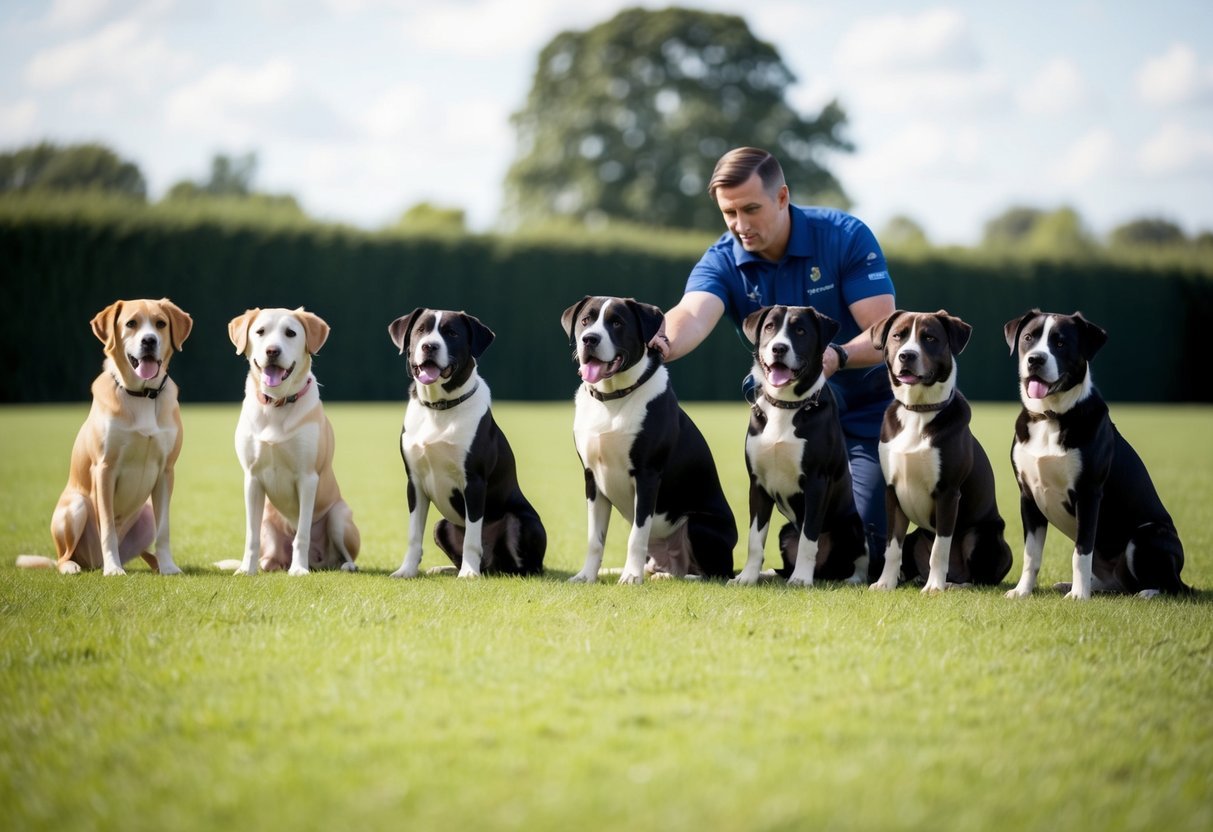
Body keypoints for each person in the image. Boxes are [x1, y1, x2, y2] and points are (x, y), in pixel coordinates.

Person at [650, 146, 895, 568]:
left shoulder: (844, 235)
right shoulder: (723, 259)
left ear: (782, 197)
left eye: (750, 209)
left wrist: (834, 356)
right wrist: (658, 344)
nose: (739, 225)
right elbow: (691, 313)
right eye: (729, 213)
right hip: (782, 417)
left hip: (863, 417)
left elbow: (884, 331)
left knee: (867, 546)